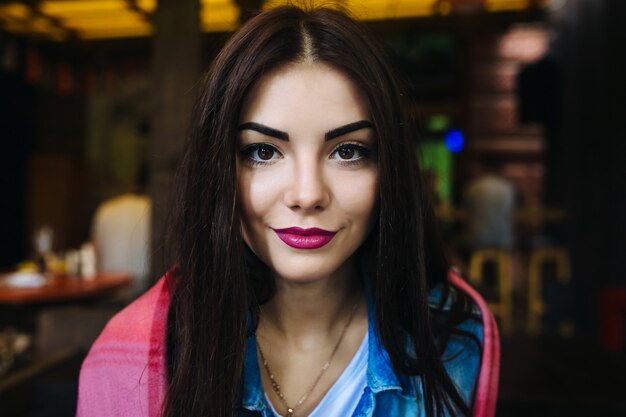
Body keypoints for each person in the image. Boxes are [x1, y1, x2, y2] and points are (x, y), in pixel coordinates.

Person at [76, 6, 498, 417]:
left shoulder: (453, 339)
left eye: (348, 151)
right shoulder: (133, 358)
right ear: (217, 168)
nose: (307, 193)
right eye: (263, 151)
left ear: (389, 167)